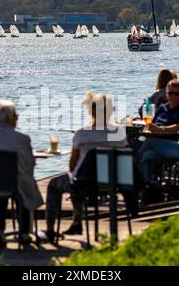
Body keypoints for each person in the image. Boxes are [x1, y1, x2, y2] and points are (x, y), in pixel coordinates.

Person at [45, 92, 128, 243]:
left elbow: (72, 165)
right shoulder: (120, 132)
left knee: (56, 184)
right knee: (78, 180)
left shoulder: (82, 134)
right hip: (113, 181)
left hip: (84, 181)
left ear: (91, 111)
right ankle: (77, 222)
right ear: (111, 111)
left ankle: (51, 230)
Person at [0, 99, 43, 246]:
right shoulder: (22, 138)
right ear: (10, 118)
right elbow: (28, 165)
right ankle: (25, 232)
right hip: (14, 183)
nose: (17, 119)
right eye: (16, 116)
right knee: (23, 184)